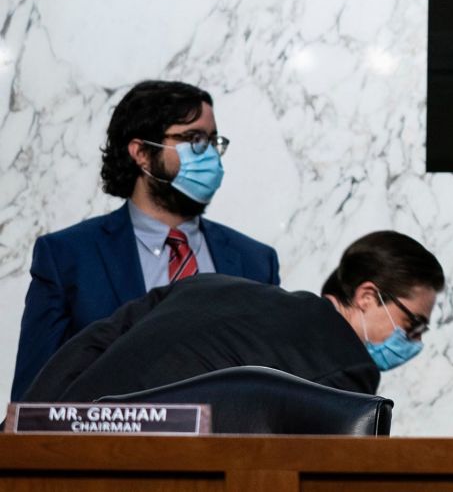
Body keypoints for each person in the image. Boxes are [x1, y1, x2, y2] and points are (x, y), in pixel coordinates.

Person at [11, 80, 279, 401]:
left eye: (212, 141)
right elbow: (32, 400)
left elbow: (276, 389)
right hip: (105, 448)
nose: (209, 156)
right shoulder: (68, 257)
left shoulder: (255, 262)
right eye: (193, 139)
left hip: (226, 447)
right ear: (141, 153)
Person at [21, 231, 443, 401]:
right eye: (414, 324)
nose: (416, 341)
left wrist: (20, 436)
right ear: (368, 296)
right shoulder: (349, 370)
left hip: (54, 456)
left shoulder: (208, 285)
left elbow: (91, 344)